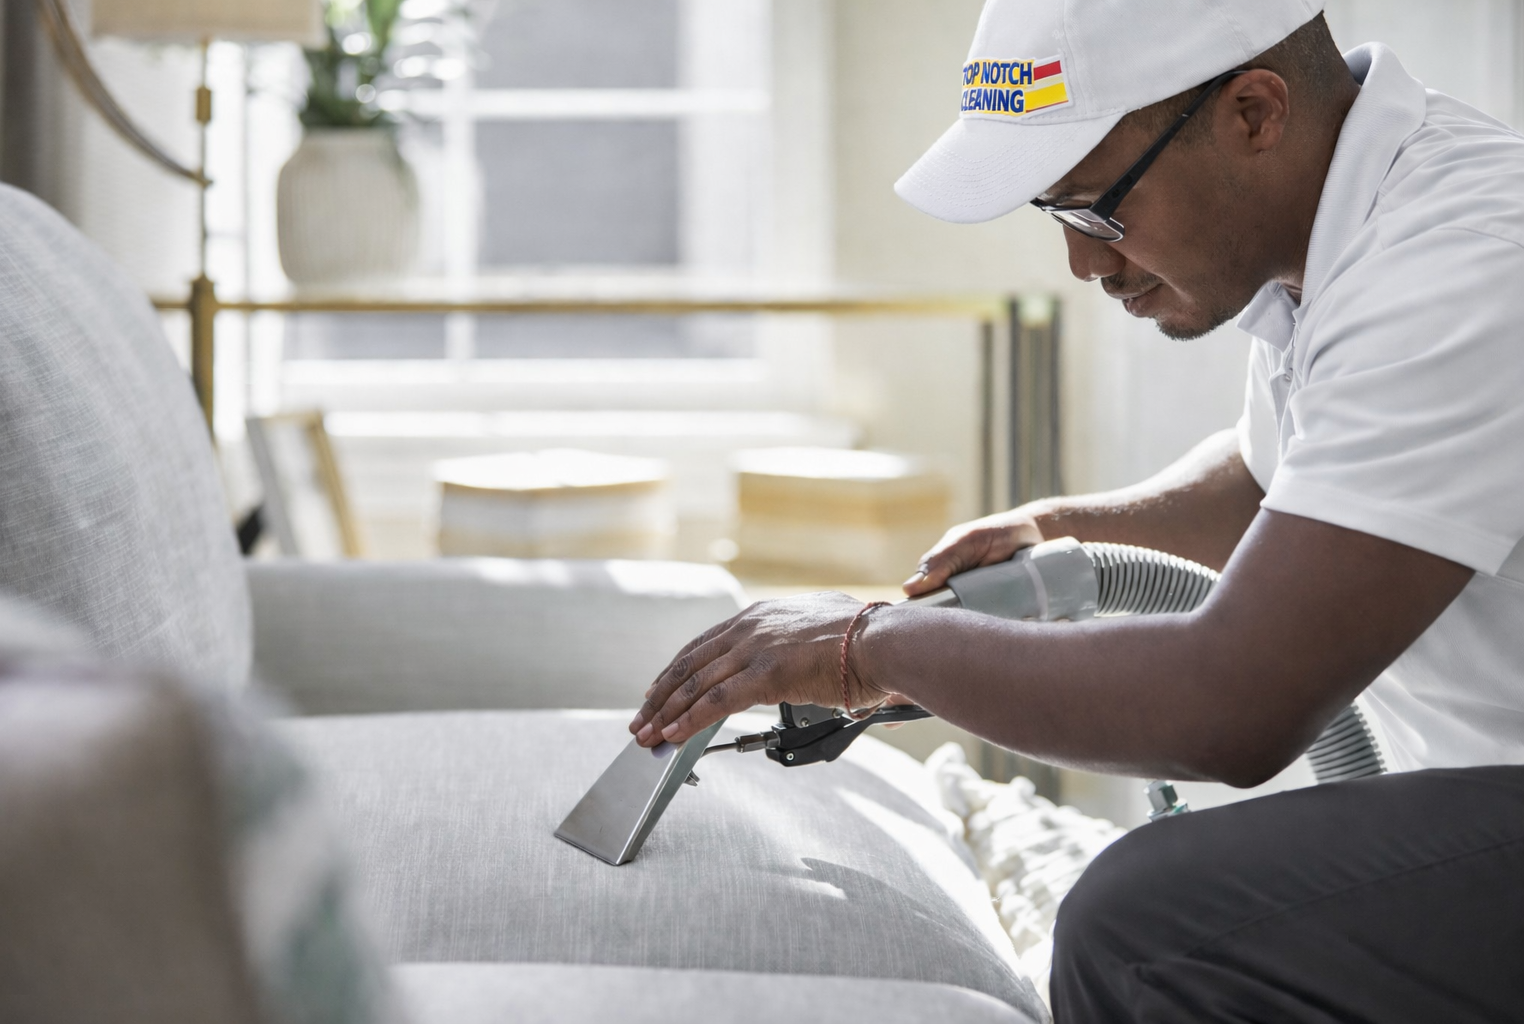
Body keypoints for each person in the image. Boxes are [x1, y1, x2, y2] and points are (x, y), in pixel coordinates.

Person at [631, 0, 1524, 1019]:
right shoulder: (1340, 231)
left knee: (1153, 924)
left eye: (1101, 208)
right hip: (1476, 792)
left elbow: (1231, 709)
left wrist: (867, 646)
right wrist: (1066, 533)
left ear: (1253, 112)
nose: (1085, 264)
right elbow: (1290, 480)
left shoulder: (1463, 266)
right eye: (1056, 215)